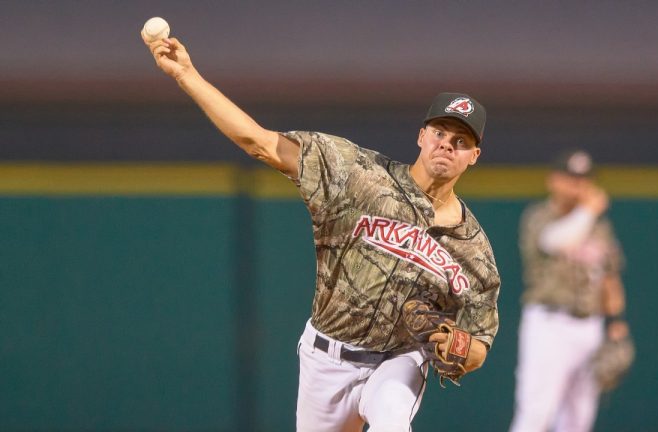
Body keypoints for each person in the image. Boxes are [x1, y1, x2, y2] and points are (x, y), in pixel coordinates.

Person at [142, 34, 500, 432]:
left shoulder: (474, 249)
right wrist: (186, 74)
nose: (446, 145)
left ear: (474, 156)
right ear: (421, 136)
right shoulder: (358, 176)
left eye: (460, 141)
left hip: (399, 361)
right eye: (439, 132)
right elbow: (259, 143)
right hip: (326, 360)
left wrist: (463, 351)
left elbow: (479, 339)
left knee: (392, 424)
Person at [509, 149, 629, 432]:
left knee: (579, 419)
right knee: (536, 414)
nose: (579, 186)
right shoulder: (539, 216)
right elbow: (557, 241)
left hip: (590, 326)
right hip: (549, 325)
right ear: (554, 181)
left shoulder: (599, 226)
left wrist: (616, 323)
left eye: (584, 179)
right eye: (571, 178)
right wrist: (589, 210)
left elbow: (610, 277)